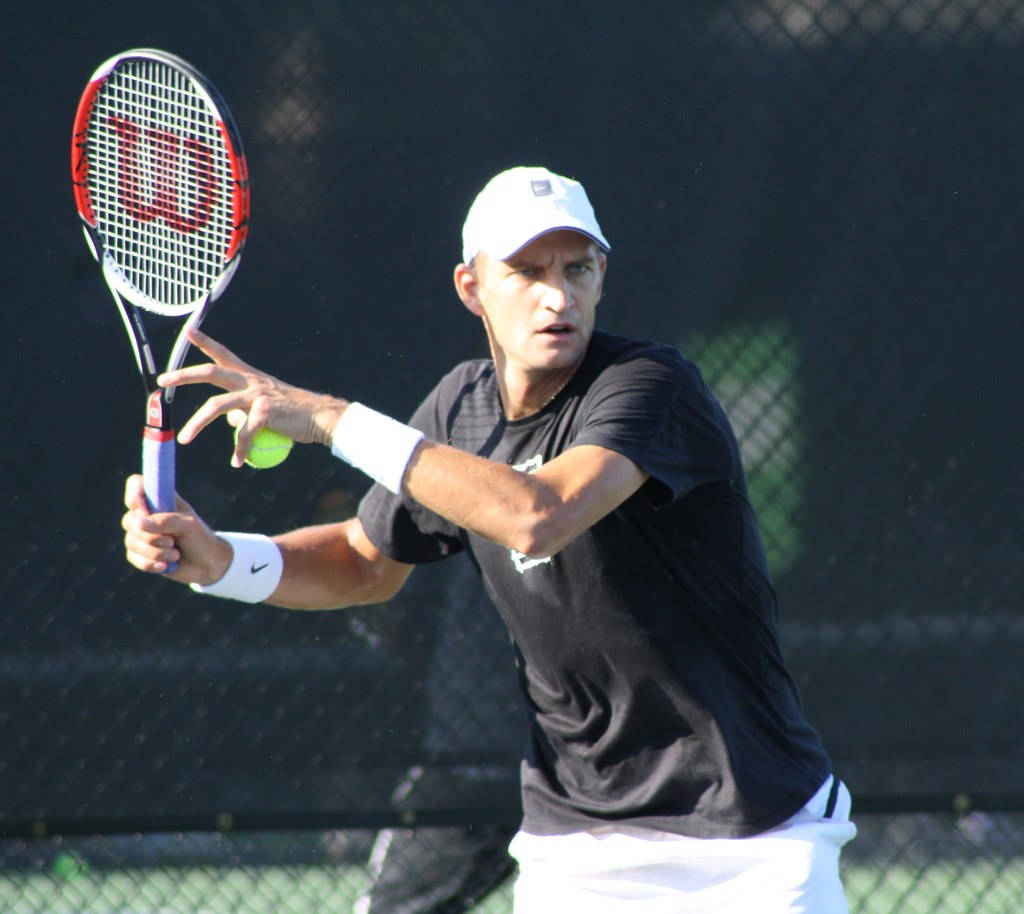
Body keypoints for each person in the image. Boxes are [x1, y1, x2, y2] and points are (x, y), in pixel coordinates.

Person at [122, 165, 856, 912]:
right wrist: (219, 560)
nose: (557, 294)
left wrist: (333, 420)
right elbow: (362, 559)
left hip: (752, 838)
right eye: (526, 271)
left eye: (578, 268)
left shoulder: (652, 386)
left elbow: (538, 513)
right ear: (471, 288)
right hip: (576, 844)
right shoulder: (460, 410)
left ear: (603, 275)